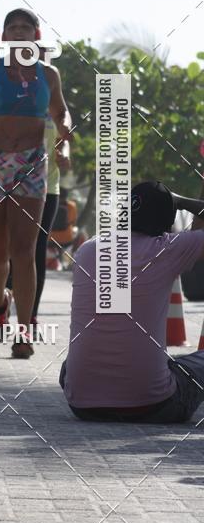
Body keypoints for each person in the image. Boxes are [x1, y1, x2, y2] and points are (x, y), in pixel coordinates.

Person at [0, 9, 72, 359]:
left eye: (27, 27)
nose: (20, 32)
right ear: (5, 37)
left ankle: (24, 331)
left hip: (30, 164)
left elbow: (61, 113)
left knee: (24, 251)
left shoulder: (49, 74)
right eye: (13, 28)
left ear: (37, 35)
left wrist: (64, 141)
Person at [60, 180, 204, 423]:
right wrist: (182, 201)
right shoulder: (167, 250)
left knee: (70, 362)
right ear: (167, 221)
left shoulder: (87, 250)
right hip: (153, 405)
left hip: (82, 405)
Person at [7, 115, 71, 322]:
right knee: (17, 247)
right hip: (14, 184)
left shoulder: (56, 104)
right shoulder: (11, 94)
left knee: (38, 247)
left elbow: (65, 138)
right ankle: (4, 298)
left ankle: (30, 315)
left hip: (47, 186)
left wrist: (64, 155)